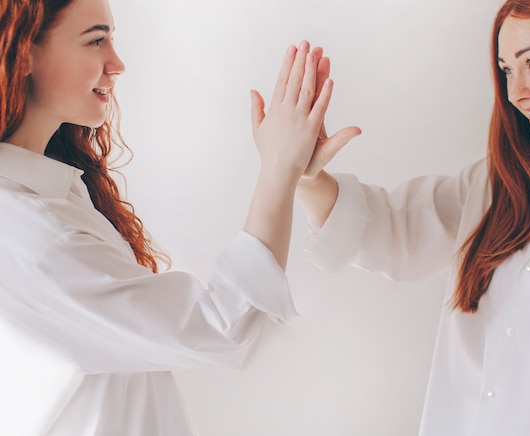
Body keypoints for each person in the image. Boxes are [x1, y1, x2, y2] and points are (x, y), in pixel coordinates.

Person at [0, 0, 336, 434]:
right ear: (23, 52)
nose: (116, 63)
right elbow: (224, 328)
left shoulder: (48, 195)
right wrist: (279, 168)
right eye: (96, 39)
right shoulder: (35, 236)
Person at [297, 0, 530, 434]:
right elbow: (396, 233)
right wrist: (307, 174)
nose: (516, 92)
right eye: (508, 69)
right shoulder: (504, 182)